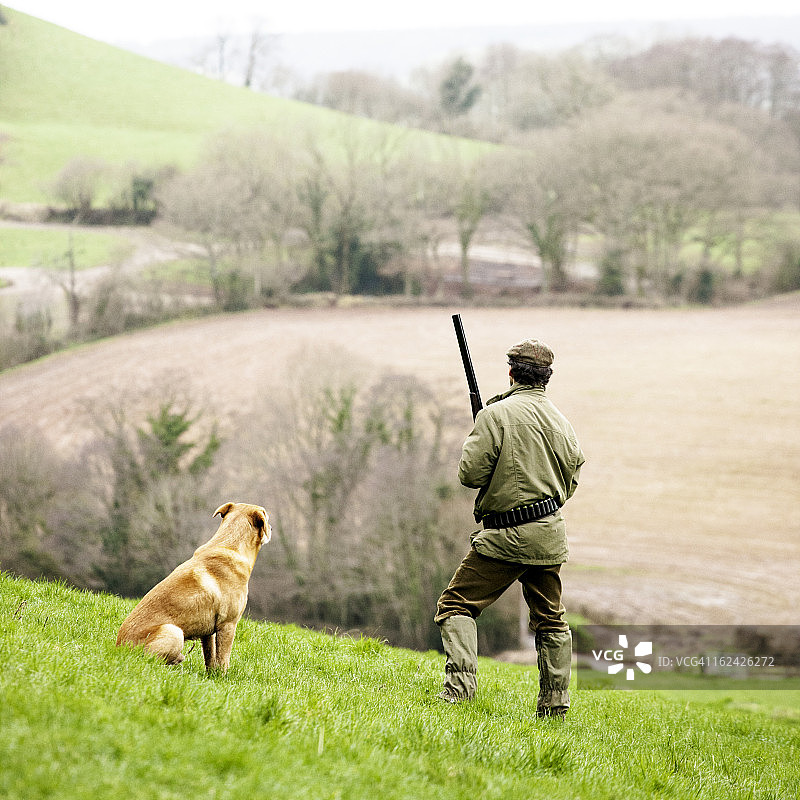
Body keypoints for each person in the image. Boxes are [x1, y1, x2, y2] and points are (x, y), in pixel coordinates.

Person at [434, 337, 585, 717]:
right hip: (549, 534)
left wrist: (481, 436)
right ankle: (554, 706)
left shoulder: (494, 415)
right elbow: (571, 479)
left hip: (505, 535)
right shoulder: (562, 422)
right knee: (551, 619)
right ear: (546, 377)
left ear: (511, 373)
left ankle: (459, 692)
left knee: (455, 605)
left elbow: (470, 475)